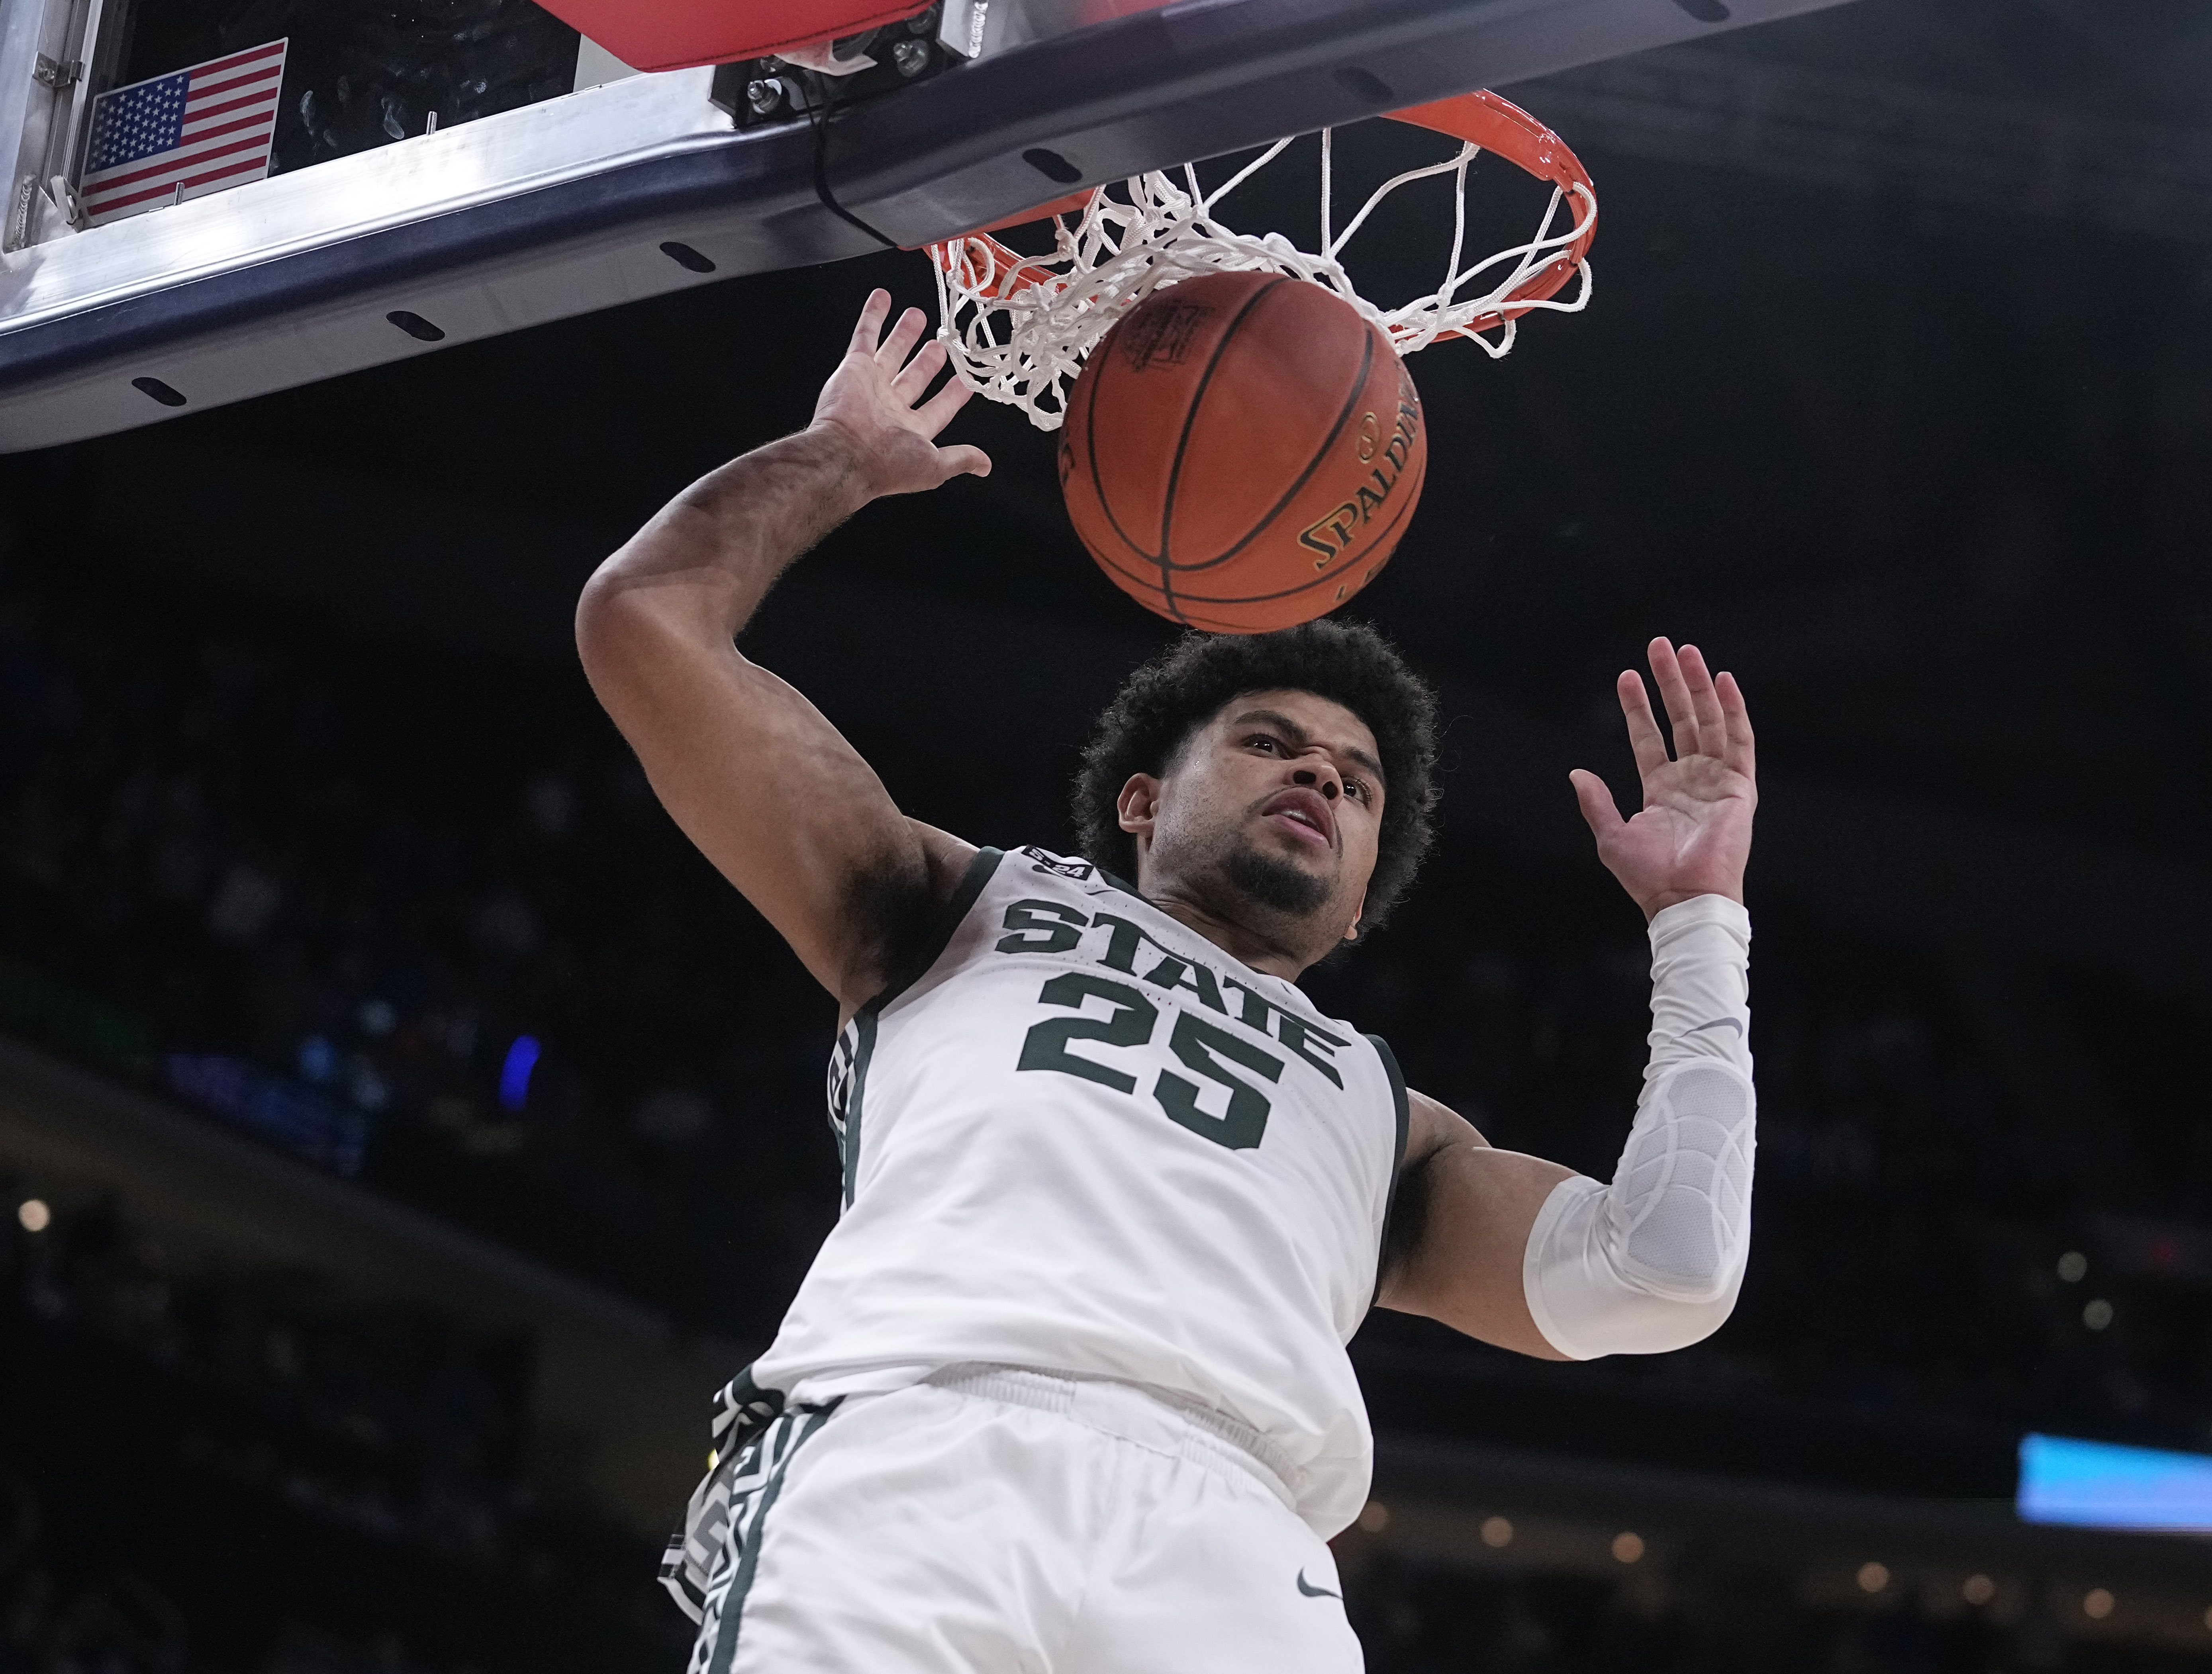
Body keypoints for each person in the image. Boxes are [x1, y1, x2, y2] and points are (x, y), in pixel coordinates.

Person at [576, 290, 1763, 1674]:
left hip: (1242, 1553)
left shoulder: (1391, 1121)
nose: (1322, 771)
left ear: (1366, 898)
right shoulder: (951, 903)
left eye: (1359, 782)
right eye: (1271, 741)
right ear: (1141, 799)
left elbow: (1667, 1268)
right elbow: (647, 623)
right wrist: (838, 455)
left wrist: (1699, 925)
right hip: (920, 1458)